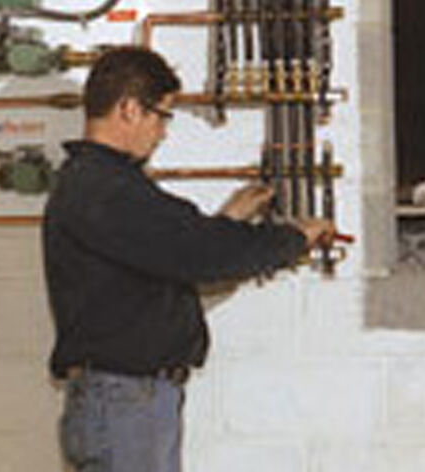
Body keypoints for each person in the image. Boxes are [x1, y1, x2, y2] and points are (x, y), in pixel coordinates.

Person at [42, 46, 334, 472]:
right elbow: (199, 253)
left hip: (127, 402)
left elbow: (170, 251)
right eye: (162, 117)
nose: (162, 133)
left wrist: (228, 221)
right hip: (126, 403)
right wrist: (294, 238)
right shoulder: (105, 189)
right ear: (129, 109)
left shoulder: (101, 184)